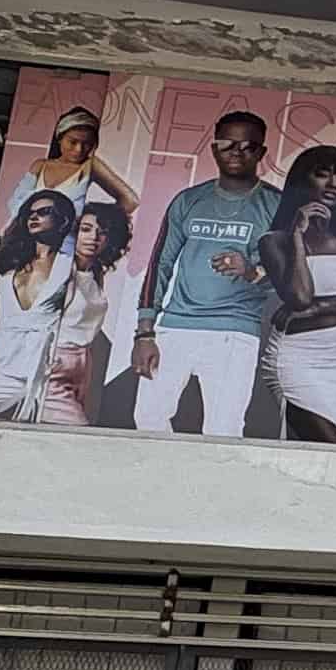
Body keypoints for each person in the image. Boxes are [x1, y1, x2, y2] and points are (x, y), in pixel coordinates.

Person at [130, 110, 284, 436]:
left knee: (224, 430)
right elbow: (160, 265)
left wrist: (251, 271)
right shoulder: (189, 200)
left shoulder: (276, 205)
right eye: (228, 144)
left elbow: (290, 279)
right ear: (214, 148)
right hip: (176, 326)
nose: (236, 153)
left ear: (261, 153)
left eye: (247, 146)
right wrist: (145, 332)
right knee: (148, 420)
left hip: (235, 331)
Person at [262, 144, 336, 444]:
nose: (333, 185)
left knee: (323, 458)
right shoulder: (275, 240)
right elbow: (299, 298)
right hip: (301, 358)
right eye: (323, 175)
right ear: (302, 180)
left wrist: (321, 308)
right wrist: (297, 234)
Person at [0, 189, 80, 422]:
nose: (34, 217)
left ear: (62, 220)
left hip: (40, 365)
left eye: (44, 212)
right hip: (1, 359)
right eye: (30, 213)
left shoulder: (68, 266)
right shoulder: (5, 260)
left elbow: (77, 315)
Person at [33, 199, 130, 426]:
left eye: (102, 232)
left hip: (83, 363)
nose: (93, 237)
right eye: (85, 229)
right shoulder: (59, 268)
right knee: (77, 430)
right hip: (54, 358)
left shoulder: (95, 272)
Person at [8, 105, 137, 238]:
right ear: (59, 138)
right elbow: (15, 204)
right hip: (26, 242)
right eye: (72, 142)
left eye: (87, 144)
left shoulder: (90, 166)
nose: (79, 149)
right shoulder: (40, 165)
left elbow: (130, 201)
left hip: (65, 246)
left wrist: (92, 225)